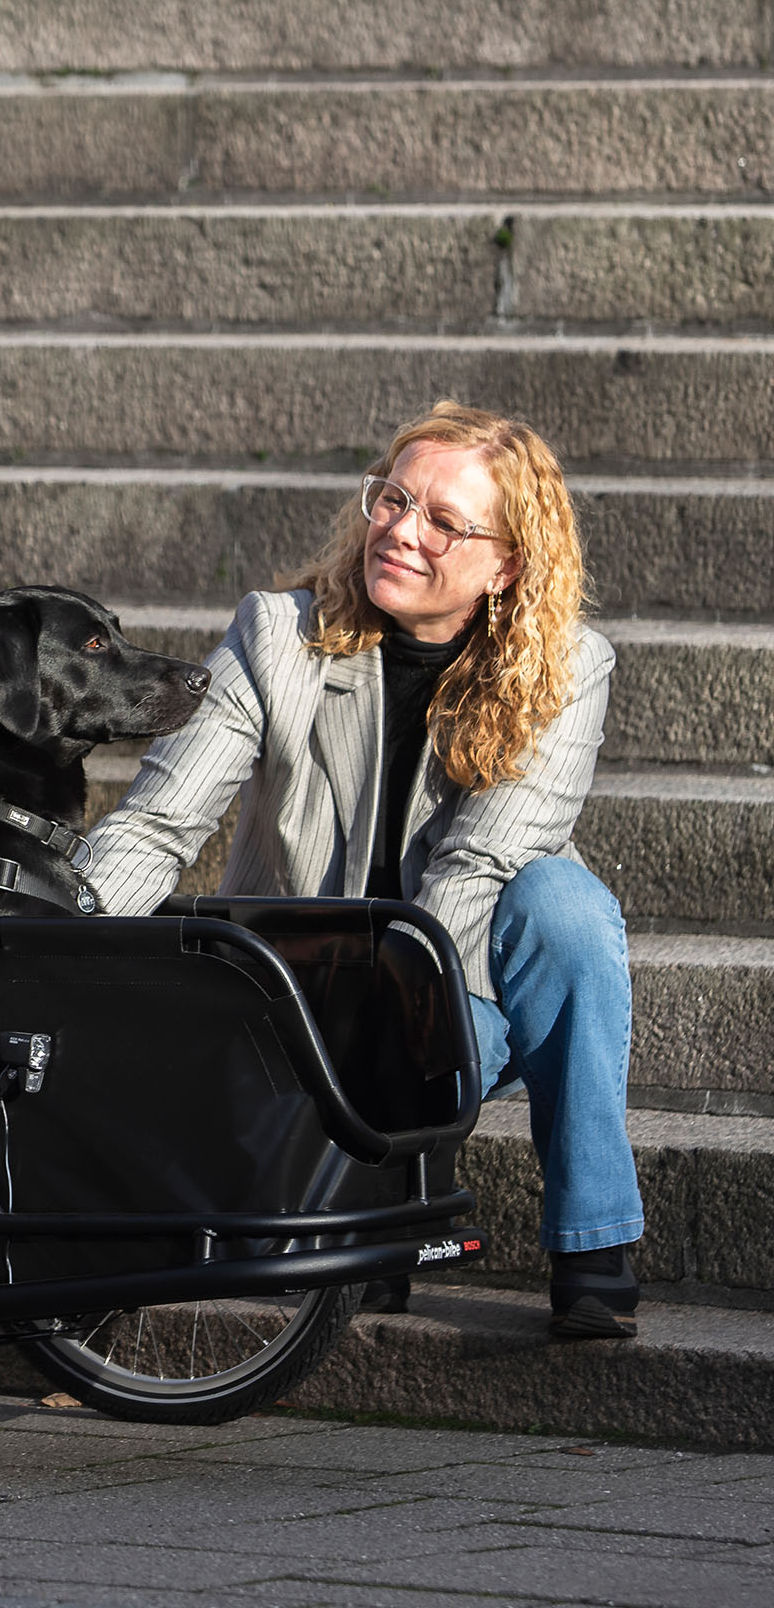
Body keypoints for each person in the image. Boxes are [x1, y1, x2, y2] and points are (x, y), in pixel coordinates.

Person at [81, 401, 643, 1340]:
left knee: (566, 906)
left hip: (462, 983)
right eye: (393, 499)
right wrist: (62, 939)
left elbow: (480, 862)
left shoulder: (566, 665)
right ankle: (378, 1203)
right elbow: (159, 822)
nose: (402, 532)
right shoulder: (278, 635)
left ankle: (592, 1241)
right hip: (304, 992)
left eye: (444, 521)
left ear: (506, 565)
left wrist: (408, 1051)